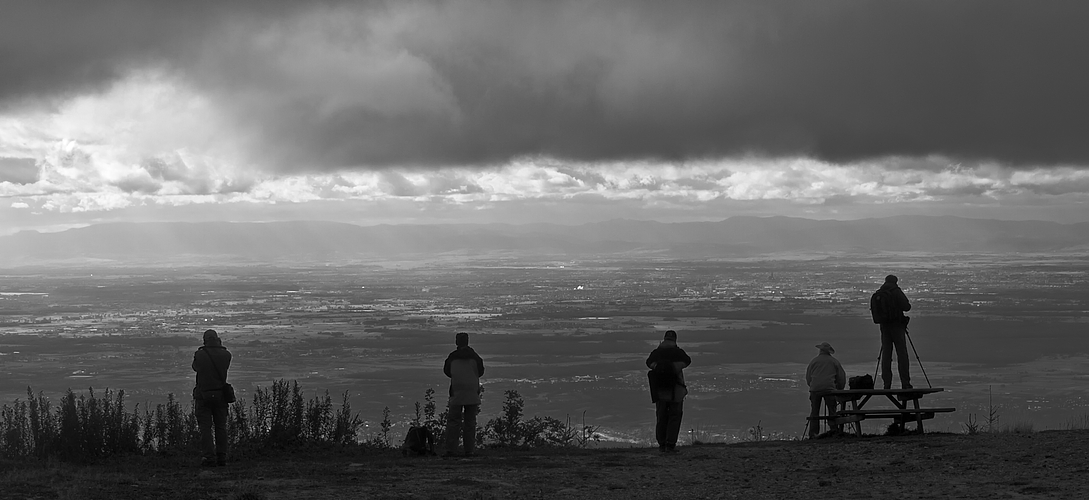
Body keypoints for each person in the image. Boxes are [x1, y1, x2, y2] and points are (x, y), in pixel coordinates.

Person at [645, 330, 691, 453]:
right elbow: (687, 361)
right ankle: (671, 444)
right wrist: (675, 367)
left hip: (659, 390)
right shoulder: (679, 352)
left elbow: (648, 362)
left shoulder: (656, 353)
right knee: (675, 416)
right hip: (676, 389)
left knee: (661, 416)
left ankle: (661, 444)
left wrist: (658, 366)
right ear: (675, 340)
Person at [192, 329, 232, 467]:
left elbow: (195, 367)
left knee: (205, 428)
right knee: (221, 427)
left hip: (203, 395)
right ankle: (222, 456)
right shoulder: (226, 354)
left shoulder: (200, 354)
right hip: (220, 395)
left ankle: (209, 457)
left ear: (205, 340)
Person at [443, 332, 485, 457]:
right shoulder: (475, 357)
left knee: (454, 421)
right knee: (470, 422)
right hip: (472, 391)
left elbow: (447, 371)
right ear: (467, 341)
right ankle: (469, 450)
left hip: (457, 390)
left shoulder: (452, 357)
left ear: (456, 342)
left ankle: (451, 450)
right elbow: (481, 372)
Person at [877, 274, 913, 389]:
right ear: (895, 281)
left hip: (884, 327)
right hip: (897, 326)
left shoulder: (879, 293)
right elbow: (906, 307)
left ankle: (886, 383)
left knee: (886, 354)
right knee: (902, 354)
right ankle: (905, 383)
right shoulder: (896, 291)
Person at [806, 342, 846, 438]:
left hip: (815, 389)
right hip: (830, 389)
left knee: (815, 411)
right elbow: (841, 377)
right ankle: (833, 430)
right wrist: (839, 389)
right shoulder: (834, 361)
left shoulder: (814, 361)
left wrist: (812, 386)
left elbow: (808, 377)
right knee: (832, 410)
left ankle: (813, 433)